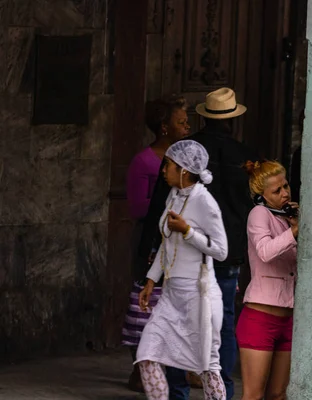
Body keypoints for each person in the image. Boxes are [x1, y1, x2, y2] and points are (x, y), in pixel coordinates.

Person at [138, 87, 257, 400]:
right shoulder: (243, 155)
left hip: (201, 256)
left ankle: (183, 393)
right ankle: (223, 392)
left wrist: (151, 252)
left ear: (203, 116)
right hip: (221, 258)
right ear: (232, 119)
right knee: (221, 328)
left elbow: (157, 213)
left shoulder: (187, 152)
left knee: (188, 331)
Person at [136, 140, 228, 400]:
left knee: (208, 366)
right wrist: (151, 280)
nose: (163, 170)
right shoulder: (173, 196)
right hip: (170, 294)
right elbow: (166, 245)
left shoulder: (204, 201)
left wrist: (188, 232)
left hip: (199, 295)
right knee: (147, 355)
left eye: (168, 165)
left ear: (184, 170)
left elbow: (221, 251)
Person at [122, 94, 190, 392]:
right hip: (153, 240)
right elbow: (138, 207)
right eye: (181, 122)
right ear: (164, 127)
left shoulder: (185, 162)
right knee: (145, 305)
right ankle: (140, 367)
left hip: (179, 243)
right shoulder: (145, 161)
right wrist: (171, 205)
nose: (187, 127)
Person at [237, 160, 299, 400]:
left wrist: (295, 226)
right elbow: (264, 250)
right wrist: (293, 232)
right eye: (277, 191)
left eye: (286, 186)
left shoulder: (286, 218)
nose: (285, 193)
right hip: (260, 319)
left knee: (278, 394)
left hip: (288, 318)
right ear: (261, 197)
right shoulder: (258, 214)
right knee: (253, 395)